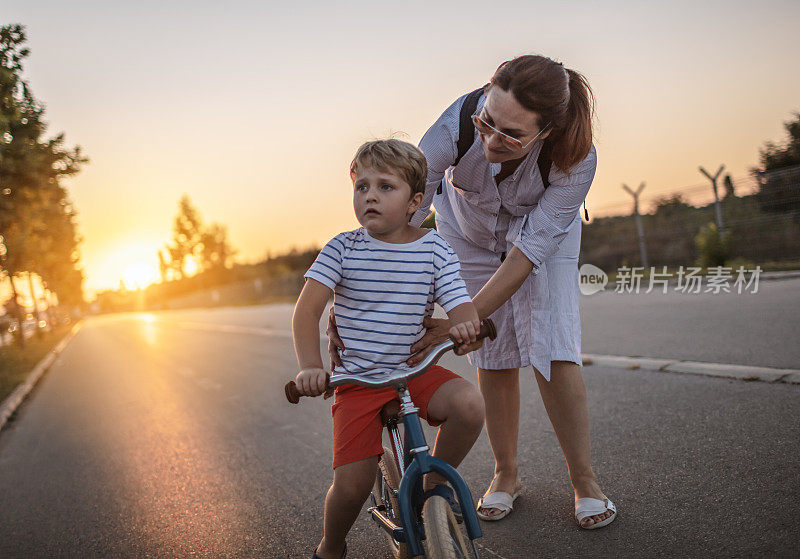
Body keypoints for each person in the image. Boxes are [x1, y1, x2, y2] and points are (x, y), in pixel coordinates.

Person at [329, 55, 616, 529]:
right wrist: (353, 296)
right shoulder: (451, 128)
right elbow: (401, 212)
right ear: (486, 94)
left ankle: (585, 482)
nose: (490, 139)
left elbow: (527, 255)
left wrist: (458, 320)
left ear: (545, 132)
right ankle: (506, 476)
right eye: (488, 121)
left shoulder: (576, 156)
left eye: (511, 135)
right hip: (469, 230)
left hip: (542, 240)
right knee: (491, 352)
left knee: (555, 348)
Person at [292, 139, 487, 559]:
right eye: (361, 187)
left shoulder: (435, 249)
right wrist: (310, 366)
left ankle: (431, 490)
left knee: (470, 405)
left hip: (414, 370)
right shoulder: (343, 248)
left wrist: (466, 325)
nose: (370, 196)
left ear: (415, 200)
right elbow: (306, 312)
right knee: (351, 487)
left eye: (385, 186)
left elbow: (459, 303)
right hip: (358, 380)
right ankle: (332, 544)